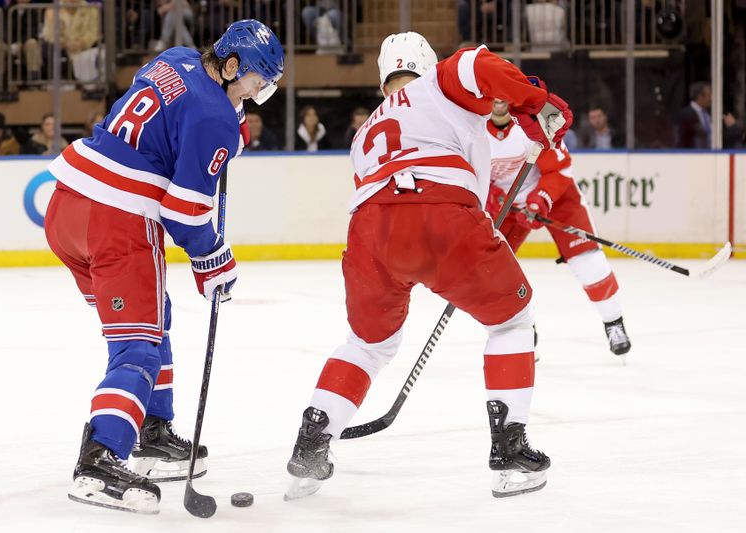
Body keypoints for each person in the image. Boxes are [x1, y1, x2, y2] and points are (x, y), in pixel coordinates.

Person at [285, 32, 572, 501]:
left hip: (370, 233)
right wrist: (536, 103)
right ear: (426, 62)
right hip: (440, 215)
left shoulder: (366, 129)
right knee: (512, 321)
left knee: (367, 344)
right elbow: (478, 65)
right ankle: (510, 452)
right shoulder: (438, 83)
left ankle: (310, 447)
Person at [44, 19, 283, 514]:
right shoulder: (217, 114)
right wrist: (215, 262)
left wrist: (222, 125)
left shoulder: (175, 58)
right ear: (232, 65)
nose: (255, 98)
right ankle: (101, 456)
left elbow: (174, 117)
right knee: (138, 346)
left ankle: (152, 431)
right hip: (117, 219)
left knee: (152, 319)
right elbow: (184, 211)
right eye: (255, 85)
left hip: (68, 206)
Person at [486, 98, 631, 357]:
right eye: (490, 92)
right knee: (493, 272)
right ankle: (524, 332)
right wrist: (489, 196)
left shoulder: (534, 121)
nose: (497, 99)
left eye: (501, 91)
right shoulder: (469, 126)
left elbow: (559, 169)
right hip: (504, 205)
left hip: (554, 195)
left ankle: (613, 321)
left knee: (588, 259)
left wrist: (541, 198)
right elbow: (464, 173)